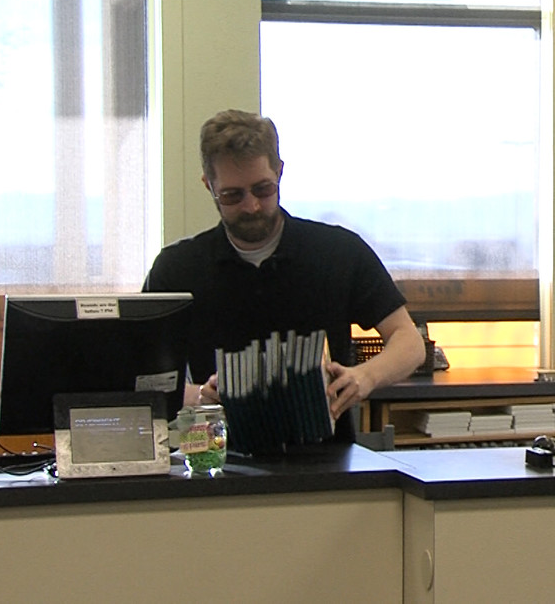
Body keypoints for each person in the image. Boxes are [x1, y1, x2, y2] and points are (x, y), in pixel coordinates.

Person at [143, 110, 426, 441]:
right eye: (233, 196)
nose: (252, 207)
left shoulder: (337, 252)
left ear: (279, 172)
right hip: (219, 462)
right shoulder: (177, 267)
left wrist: (365, 376)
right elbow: (142, 377)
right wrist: (198, 397)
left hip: (326, 462)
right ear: (209, 186)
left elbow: (409, 342)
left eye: (263, 189)